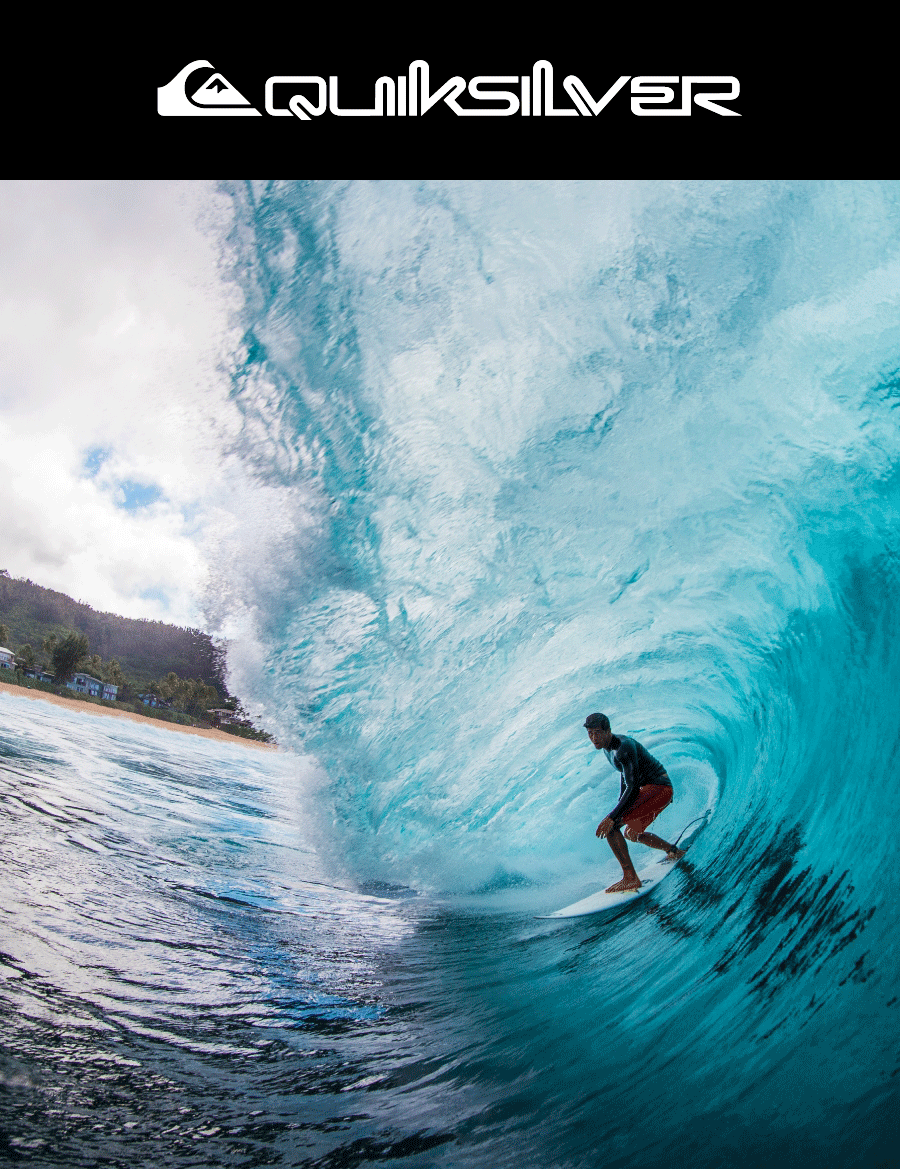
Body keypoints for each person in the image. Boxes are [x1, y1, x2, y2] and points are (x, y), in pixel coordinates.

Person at [584, 712, 685, 893]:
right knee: (631, 833)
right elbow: (625, 778)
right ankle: (673, 851)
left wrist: (613, 816)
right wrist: (619, 807)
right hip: (650, 790)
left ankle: (630, 878)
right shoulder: (608, 749)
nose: (593, 737)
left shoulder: (624, 747)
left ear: (608, 731)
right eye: (590, 733)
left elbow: (633, 786)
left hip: (659, 789)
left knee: (612, 827)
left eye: (597, 732)